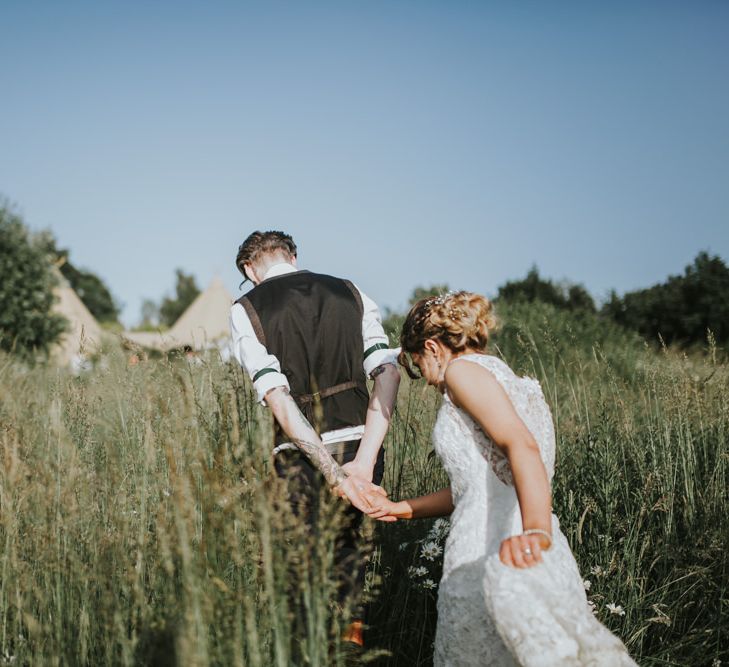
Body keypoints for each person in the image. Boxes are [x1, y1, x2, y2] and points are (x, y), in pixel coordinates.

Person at [366, 291, 637, 666]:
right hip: (523, 534)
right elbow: (479, 485)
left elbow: (521, 446)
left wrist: (537, 529)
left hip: (492, 545)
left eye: (418, 366)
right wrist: (402, 509)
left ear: (432, 347)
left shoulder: (462, 372)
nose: (426, 381)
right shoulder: (504, 377)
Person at [230, 230, 400, 647]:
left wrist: (332, 474)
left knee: (306, 556)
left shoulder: (247, 308)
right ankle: (352, 638)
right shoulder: (350, 290)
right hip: (363, 441)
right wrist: (363, 460)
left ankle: (314, 646)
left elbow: (279, 401)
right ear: (292, 256)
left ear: (250, 269)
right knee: (350, 547)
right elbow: (388, 371)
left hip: (300, 455)